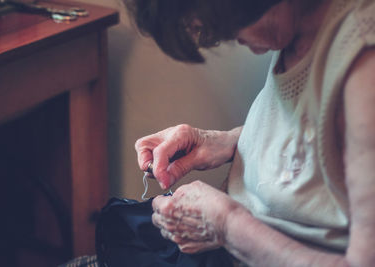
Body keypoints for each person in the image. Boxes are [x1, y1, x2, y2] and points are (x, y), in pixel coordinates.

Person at [128, 0, 375, 266]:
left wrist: (227, 225)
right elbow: (322, 137)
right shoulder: (296, 24)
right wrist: (226, 141)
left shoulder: (364, 65)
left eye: (227, 24)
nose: (234, 39)